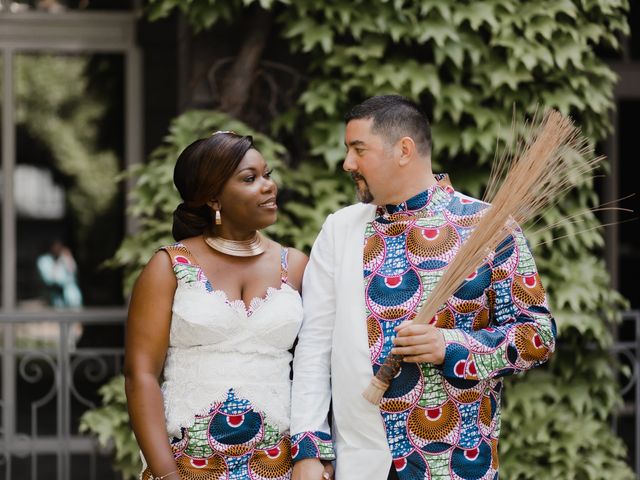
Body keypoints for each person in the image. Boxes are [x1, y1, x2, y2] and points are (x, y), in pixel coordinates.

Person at [290, 95, 557, 479]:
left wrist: (450, 346)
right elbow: (314, 346)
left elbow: (539, 336)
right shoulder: (340, 229)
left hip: (459, 460)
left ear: (404, 150)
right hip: (362, 460)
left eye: (358, 149)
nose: (348, 163)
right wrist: (309, 448)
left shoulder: (489, 227)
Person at [124, 132, 333, 480]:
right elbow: (140, 374)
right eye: (250, 179)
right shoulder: (169, 266)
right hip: (186, 459)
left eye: (267, 174)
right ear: (213, 198)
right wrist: (165, 474)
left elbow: (319, 367)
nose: (269, 186)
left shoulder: (295, 266)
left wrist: (312, 455)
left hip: (277, 462)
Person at [36, 239, 83, 309]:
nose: (57, 248)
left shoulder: (66, 257)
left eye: (59, 246)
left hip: (70, 293)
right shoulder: (44, 260)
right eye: (55, 246)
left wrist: (68, 258)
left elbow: (73, 272)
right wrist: (57, 262)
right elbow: (50, 279)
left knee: (74, 302)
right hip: (55, 293)